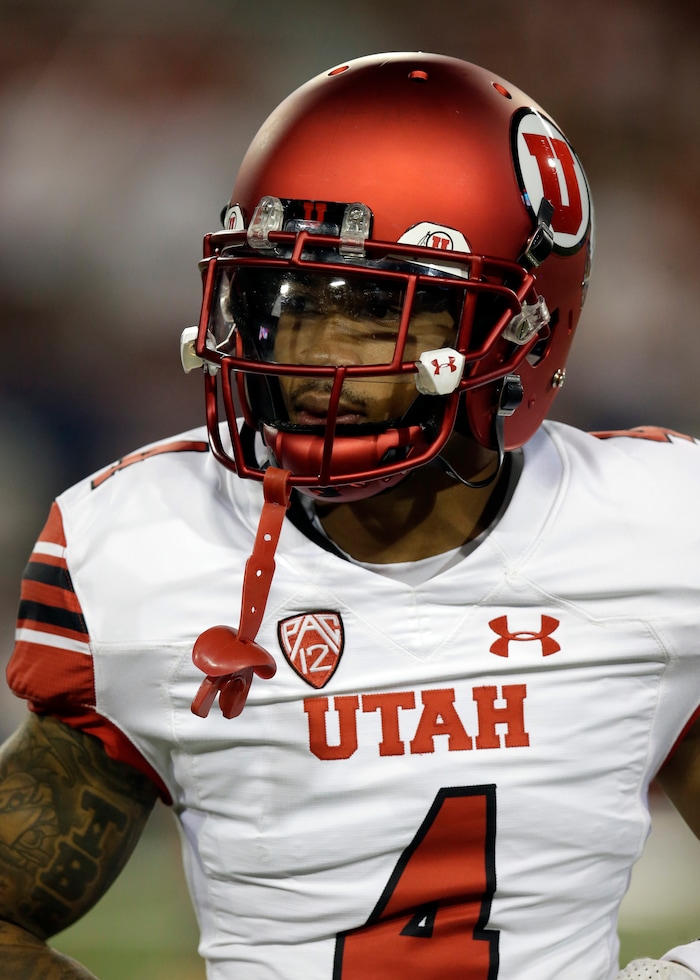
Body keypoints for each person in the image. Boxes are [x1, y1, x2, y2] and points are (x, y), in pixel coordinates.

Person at [1, 50, 699, 980]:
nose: (314, 357)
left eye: (375, 309)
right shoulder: (143, 545)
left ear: (522, 330)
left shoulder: (655, 532)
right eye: (286, 302)